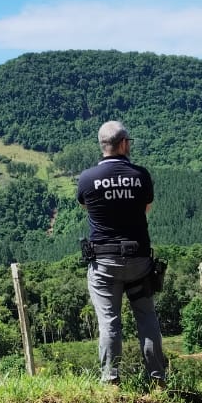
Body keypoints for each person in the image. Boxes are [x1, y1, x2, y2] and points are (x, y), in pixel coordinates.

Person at [77, 121, 166, 386]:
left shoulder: (87, 178)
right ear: (124, 143)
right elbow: (146, 209)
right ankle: (157, 380)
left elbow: (87, 208)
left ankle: (111, 381)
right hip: (139, 261)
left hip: (104, 263)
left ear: (102, 145)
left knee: (109, 323)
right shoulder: (141, 175)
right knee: (147, 319)